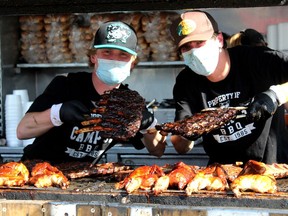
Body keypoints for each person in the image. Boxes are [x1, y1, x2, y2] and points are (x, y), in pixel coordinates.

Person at [17, 21, 166, 164]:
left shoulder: (129, 102)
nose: (114, 59)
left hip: (79, 180)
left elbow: (158, 150)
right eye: (107, 52)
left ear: (132, 63)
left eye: (123, 55)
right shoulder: (67, 85)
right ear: (93, 57)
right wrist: (57, 113)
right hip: (38, 171)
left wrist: (148, 125)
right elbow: (22, 131)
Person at [169, 10, 288, 165]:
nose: (194, 52)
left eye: (200, 43)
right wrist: (186, 133)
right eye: (186, 47)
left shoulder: (259, 59)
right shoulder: (186, 81)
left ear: (219, 40)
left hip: (273, 168)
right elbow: (181, 147)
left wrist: (276, 95)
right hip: (222, 177)